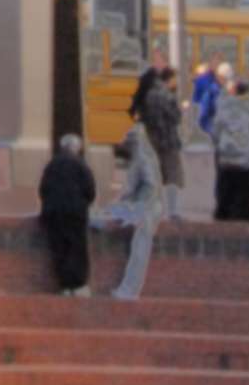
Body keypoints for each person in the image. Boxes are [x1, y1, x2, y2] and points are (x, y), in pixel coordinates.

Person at [96, 123, 163, 298]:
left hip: (145, 209)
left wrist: (135, 209)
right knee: (100, 217)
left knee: (140, 247)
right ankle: (128, 290)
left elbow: (150, 186)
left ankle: (129, 290)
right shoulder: (139, 156)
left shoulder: (143, 155)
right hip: (138, 207)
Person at [37, 132, 96, 295]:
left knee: (59, 247)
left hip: (53, 213)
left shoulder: (51, 165)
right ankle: (78, 284)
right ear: (77, 148)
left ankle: (64, 284)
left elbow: (43, 189)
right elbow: (90, 190)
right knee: (77, 247)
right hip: (75, 213)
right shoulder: (81, 165)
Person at [211, 76, 249, 222]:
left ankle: (222, 214)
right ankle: (241, 216)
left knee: (225, 188)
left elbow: (215, 132)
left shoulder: (224, 109)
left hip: (226, 157)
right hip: (245, 159)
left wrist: (219, 148)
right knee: (243, 189)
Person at [142, 65, 185, 214]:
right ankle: (173, 210)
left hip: (153, 139)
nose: (176, 82)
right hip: (168, 139)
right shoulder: (167, 95)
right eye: (175, 79)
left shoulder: (149, 94)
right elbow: (176, 117)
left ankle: (154, 208)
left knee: (155, 175)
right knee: (173, 176)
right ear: (170, 79)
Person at [192, 58, 222, 136]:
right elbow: (196, 98)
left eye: (218, 64)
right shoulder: (202, 81)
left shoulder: (223, 83)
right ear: (210, 65)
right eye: (215, 64)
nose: (216, 66)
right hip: (207, 118)